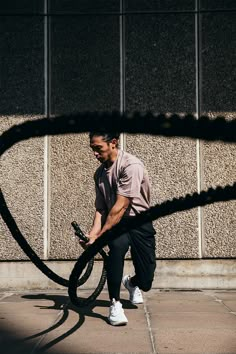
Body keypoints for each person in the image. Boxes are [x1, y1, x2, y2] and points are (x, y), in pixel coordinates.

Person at [83, 132, 156, 326]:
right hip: (117, 224)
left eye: (98, 148)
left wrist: (100, 235)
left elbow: (121, 206)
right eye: (92, 149)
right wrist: (92, 234)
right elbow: (101, 209)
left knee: (147, 279)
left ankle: (131, 283)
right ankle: (115, 304)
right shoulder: (99, 174)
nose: (95, 154)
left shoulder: (130, 165)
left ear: (113, 143)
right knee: (116, 250)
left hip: (139, 221)